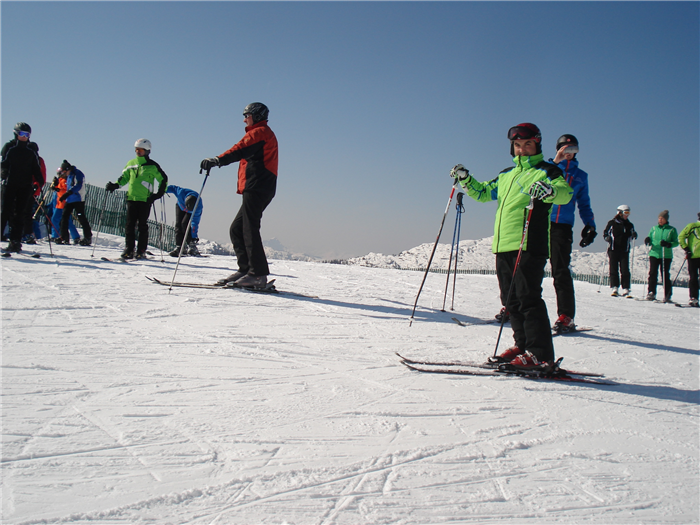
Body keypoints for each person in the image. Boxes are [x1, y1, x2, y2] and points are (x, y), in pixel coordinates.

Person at [451, 123, 573, 368]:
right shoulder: (507, 174)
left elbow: (565, 193)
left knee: (528, 298)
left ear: (537, 144)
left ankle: (539, 354)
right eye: (517, 145)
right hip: (504, 244)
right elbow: (484, 193)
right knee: (511, 300)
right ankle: (522, 345)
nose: (522, 149)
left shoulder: (547, 171)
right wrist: (465, 179)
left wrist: (549, 190)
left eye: (527, 144)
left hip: (529, 243)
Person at [200, 102, 278, 288]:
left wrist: (218, 160)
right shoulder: (259, 132)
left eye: (247, 116)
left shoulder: (259, 132)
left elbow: (240, 149)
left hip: (258, 185)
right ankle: (246, 270)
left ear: (256, 116)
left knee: (249, 228)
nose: (244, 120)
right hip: (257, 186)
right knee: (237, 228)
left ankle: (257, 275)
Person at [548, 134, 596, 333]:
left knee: (560, 271)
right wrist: (554, 163)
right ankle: (515, 308)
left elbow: (584, 203)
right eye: (564, 149)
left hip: (563, 227)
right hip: (542, 223)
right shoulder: (549, 169)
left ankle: (566, 316)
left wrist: (590, 225)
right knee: (528, 268)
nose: (568, 153)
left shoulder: (580, 176)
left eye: (572, 149)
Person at [105, 139, 167, 259]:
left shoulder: (152, 165)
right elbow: (124, 178)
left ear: (147, 151)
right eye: (136, 149)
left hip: (145, 200)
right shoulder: (131, 163)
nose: (138, 152)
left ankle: (141, 250)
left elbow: (163, 179)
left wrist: (158, 194)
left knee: (142, 226)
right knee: (129, 225)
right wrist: (115, 185)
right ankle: (129, 249)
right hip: (132, 198)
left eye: (141, 150)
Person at [0, 122, 43, 253]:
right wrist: (3, 173)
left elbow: (36, 168)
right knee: (4, 212)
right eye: (22, 134)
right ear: (16, 134)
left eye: (27, 135)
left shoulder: (31, 151)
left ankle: (15, 241)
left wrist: (39, 181)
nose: (24, 137)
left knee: (19, 215)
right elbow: (3, 164)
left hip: (24, 186)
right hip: (10, 184)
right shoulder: (9, 147)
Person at [603, 205, 637, 297]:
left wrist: (634, 235)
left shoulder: (629, 225)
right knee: (614, 269)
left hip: (624, 250)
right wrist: (607, 238)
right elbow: (605, 233)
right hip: (613, 249)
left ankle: (626, 288)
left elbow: (631, 236)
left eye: (628, 213)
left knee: (625, 269)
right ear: (620, 213)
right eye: (626, 213)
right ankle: (614, 287)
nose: (627, 215)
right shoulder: (612, 223)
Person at [644, 210, 678, 302]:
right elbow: (650, 237)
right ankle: (651, 292)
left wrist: (668, 244)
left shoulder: (671, 230)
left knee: (665, 274)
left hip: (665, 255)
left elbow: (676, 242)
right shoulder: (654, 228)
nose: (660, 220)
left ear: (666, 219)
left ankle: (667, 294)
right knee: (652, 273)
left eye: (662, 218)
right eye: (659, 218)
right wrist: (648, 240)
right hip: (654, 253)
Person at [57, 160, 92, 246]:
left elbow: (78, 185)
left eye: (65, 172)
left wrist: (68, 193)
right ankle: (64, 237)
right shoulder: (69, 175)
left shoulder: (78, 173)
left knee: (81, 217)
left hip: (78, 199)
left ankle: (87, 237)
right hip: (70, 199)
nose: (65, 174)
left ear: (68, 169)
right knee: (64, 217)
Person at [165, 185, 203, 257]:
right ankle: (180, 247)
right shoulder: (181, 192)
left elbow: (194, 224)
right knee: (178, 225)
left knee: (185, 224)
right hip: (180, 205)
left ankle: (191, 245)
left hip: (191, 212)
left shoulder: (198, 208)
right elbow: (172, 188)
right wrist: (163, 190)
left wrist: (194, 237)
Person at [50, 169, 80, 242]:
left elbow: (65, 190)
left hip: (63, 203)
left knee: (65, 221)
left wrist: (57, 189)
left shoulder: (66, 181)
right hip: (59, 204)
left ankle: (57, 235)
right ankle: (56, 235)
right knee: (57, 219)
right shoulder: (60, 180)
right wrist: (55, 185)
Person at [677, 213, 700, 307]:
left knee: (694, 277)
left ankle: (694, 298)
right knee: (693, 277)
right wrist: (686, 248)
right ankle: (693, 298)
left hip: (693, 255)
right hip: (693, 255)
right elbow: (681, 237)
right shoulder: (692, 226)